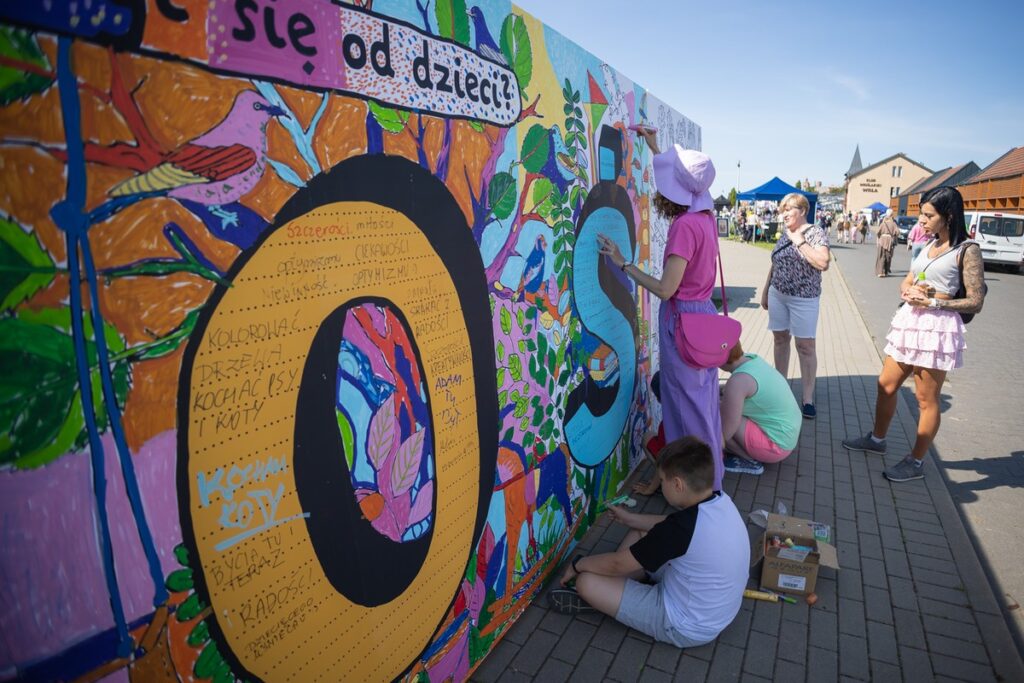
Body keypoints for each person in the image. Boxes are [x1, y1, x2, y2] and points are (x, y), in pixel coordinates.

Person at [599, 128, 726, 490]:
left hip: (682, 323)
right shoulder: (706, 214)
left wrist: (624, 264)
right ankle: (711, 483)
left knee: (685, 413)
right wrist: (656, 147)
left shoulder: (684, 226)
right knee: (702, 407)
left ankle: (700, 495)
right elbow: (691, 181)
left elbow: (666, 287)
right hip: (703, 321)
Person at [548, 437, 749, 648]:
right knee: (642, 531)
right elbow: (668, 526)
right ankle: (624, 589)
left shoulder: (681, 529)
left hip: (685, 626)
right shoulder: (719, 500)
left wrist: (577, 564)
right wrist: (630, 519)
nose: (660, 485)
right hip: (712, 606)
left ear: (678, 484)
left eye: (662, 480)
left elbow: (618, 564)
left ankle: (610, 597)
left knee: (586, 582)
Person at [842, 186, 985, 482]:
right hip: (911, 321)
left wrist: (933, 301)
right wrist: (907, 290)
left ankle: (916, 461)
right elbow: (908, 279)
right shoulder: (927, 244)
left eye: (928, 215)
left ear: (948, 216)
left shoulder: (967, 250)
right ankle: (877, 440)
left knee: (925, 398)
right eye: (921, 214)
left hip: (938, 327)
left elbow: (975, 300)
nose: (921, 220)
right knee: (886, 384)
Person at [760, 192, 830, 419]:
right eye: (783, 209)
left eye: (789, 209)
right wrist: (765, 291)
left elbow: (823, 262)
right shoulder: (784, 234)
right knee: (780, 339)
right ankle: (781, 389)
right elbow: (775, 263)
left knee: (805, 346)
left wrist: (799, 241)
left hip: (804, 299)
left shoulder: (815, 232)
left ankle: (807, 398)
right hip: (778, 294)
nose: (784, 214)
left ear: (802, 211)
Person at [720, 340, 802, 475]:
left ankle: (749, 460)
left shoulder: (738, 381)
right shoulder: (752, 359)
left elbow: (725, 433)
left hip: (776, 447)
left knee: (716, 416)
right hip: (787, 436)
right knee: (723, 408)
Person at [875, 209, 900, 277]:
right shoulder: (894, 223)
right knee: (888, 256)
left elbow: (877, 232)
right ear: (892, 215)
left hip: (882, 240)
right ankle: (886, 271)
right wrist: (892, 235)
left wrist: (879, 238)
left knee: (881, 255)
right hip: (889, 241)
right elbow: (897, 232)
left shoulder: (883, 222)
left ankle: (880, 272)